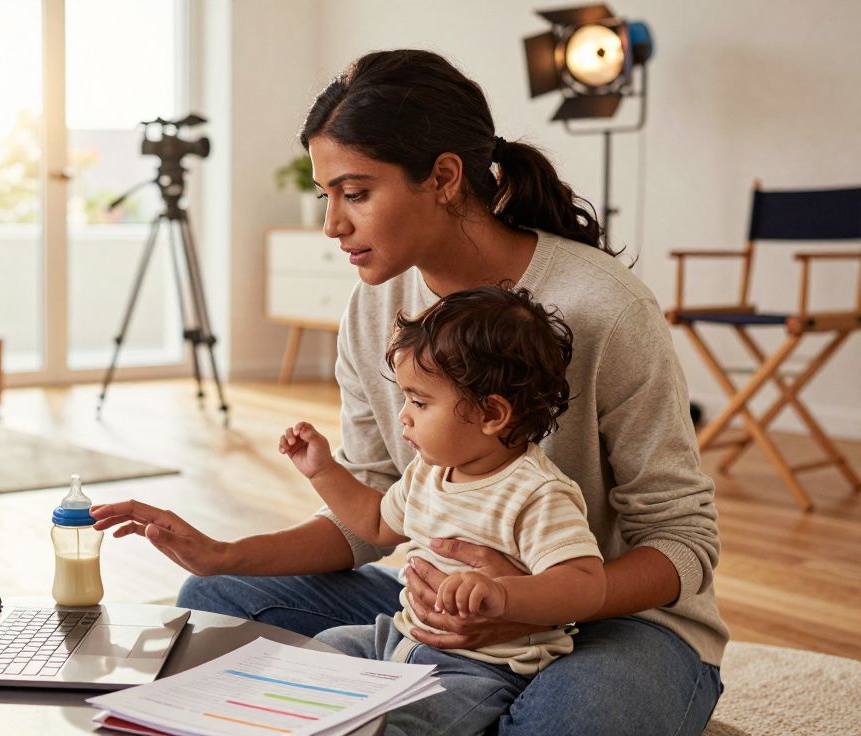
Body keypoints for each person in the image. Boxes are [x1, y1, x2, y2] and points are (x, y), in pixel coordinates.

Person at [90, 48, 725, 734]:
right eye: (325, 196)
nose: (332, 224)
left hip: (619, 620)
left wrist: (518, 600)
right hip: (439, 604)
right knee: (215, 596)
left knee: (566, 723)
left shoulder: (604, 307)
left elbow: (682, 540)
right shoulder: (374, 311)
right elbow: (371, 515)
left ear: (445, 177)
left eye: (356, 193)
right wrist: (223, 552)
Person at [281, 285, 606, 733]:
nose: (403, 417)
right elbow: (376, 524)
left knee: (401, 726)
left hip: (480, 670)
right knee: (319, 653)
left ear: (492, 414)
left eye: (419, 401)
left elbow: (586, 585)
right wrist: (322, 472)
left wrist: (504, 596)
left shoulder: (537, 493)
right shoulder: (430, 471)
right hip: (399, 636)